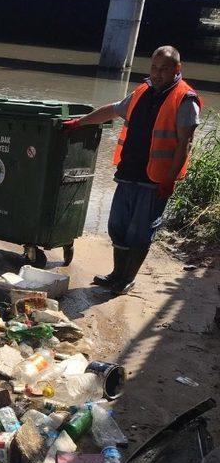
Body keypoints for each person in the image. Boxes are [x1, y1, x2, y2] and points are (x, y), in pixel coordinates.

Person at [65, 45, 202, 294]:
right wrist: (80, 122)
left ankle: (127, 279)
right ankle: (117, 274)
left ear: (177, 69)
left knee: (140, 233)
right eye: (154, 67)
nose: (158, 73)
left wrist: (169, 180)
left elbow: (185, 143)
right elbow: (113, 110)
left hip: (155, 181)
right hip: (128, 173)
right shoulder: (142, 91)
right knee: (117, 227)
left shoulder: (185, 99)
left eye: (164, 69)